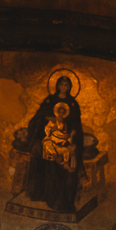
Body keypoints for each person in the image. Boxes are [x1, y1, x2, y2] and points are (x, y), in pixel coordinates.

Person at [20, 76, 84, 212]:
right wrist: (49, 119)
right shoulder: (50, 100)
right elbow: (37, 119)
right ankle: (42, 193)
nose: (64, 87)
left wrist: (73, 139)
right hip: (48, 138)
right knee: (43, 151)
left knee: (71, 156)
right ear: (58, 86)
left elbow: (76, 125)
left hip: (65, 140)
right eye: (62, 84)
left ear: (70, 87)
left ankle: (66, 199)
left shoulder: (72, 104)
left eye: (67, 85)